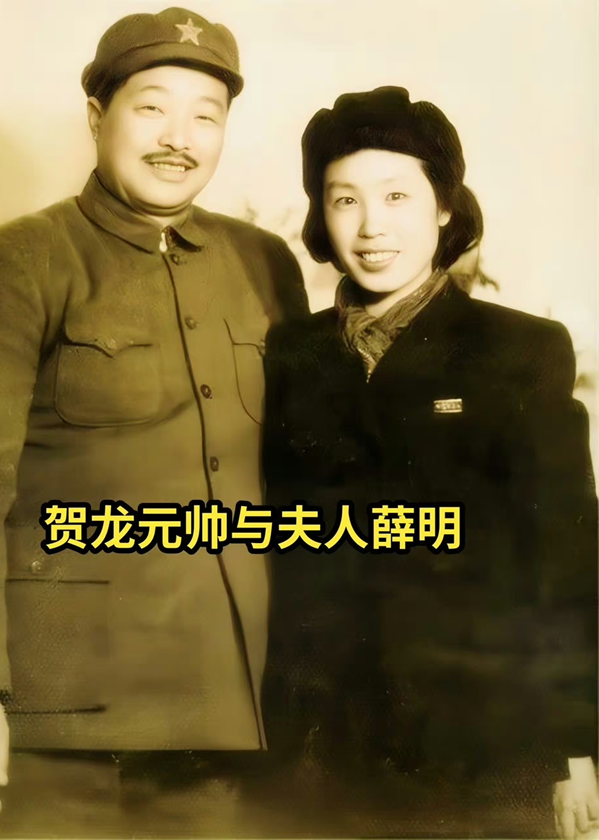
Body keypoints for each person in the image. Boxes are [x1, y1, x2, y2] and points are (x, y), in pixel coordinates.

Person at [0, 7, 308, 836]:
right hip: (58, 716)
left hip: (228, 709)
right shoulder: (15, 262)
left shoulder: (264, 263)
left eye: (206, 116)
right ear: (97, 117)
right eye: (152, 107)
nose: (179, 138)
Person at [262, 87, 598, 838]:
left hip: (486, 746)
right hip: (322, 749)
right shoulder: (291, 353)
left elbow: (566, 556)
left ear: (444, 207)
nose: (371, 226)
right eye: (344, 199)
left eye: (396, 196)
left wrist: (574, 745)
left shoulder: (521, 349)